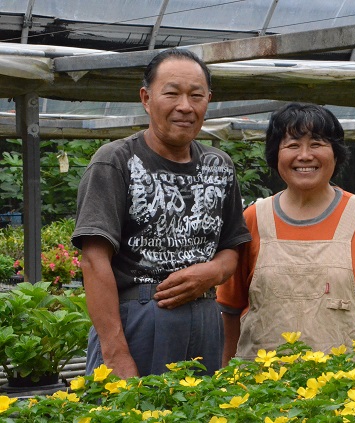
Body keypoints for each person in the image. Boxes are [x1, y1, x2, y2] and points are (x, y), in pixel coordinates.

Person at [71, 48, 251, 378]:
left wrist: (211, 273)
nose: (185, 106)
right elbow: (94, 261)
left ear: (208, 100)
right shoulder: (115, 161)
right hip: (139, 316)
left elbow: (231, 248)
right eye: (172, 93)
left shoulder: (219, 165)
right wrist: (115, 354)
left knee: (201, 411)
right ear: (146, 98)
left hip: (204, 318)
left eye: (196, 95)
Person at [217, 102, 355, 365]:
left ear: (336, 153)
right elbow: (230, 308)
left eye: (317, 144)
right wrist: (228, 372)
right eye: (293, 145)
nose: (305, 155)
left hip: (348, 393)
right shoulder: (254, 219)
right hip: (260, 392)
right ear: (276, 155)